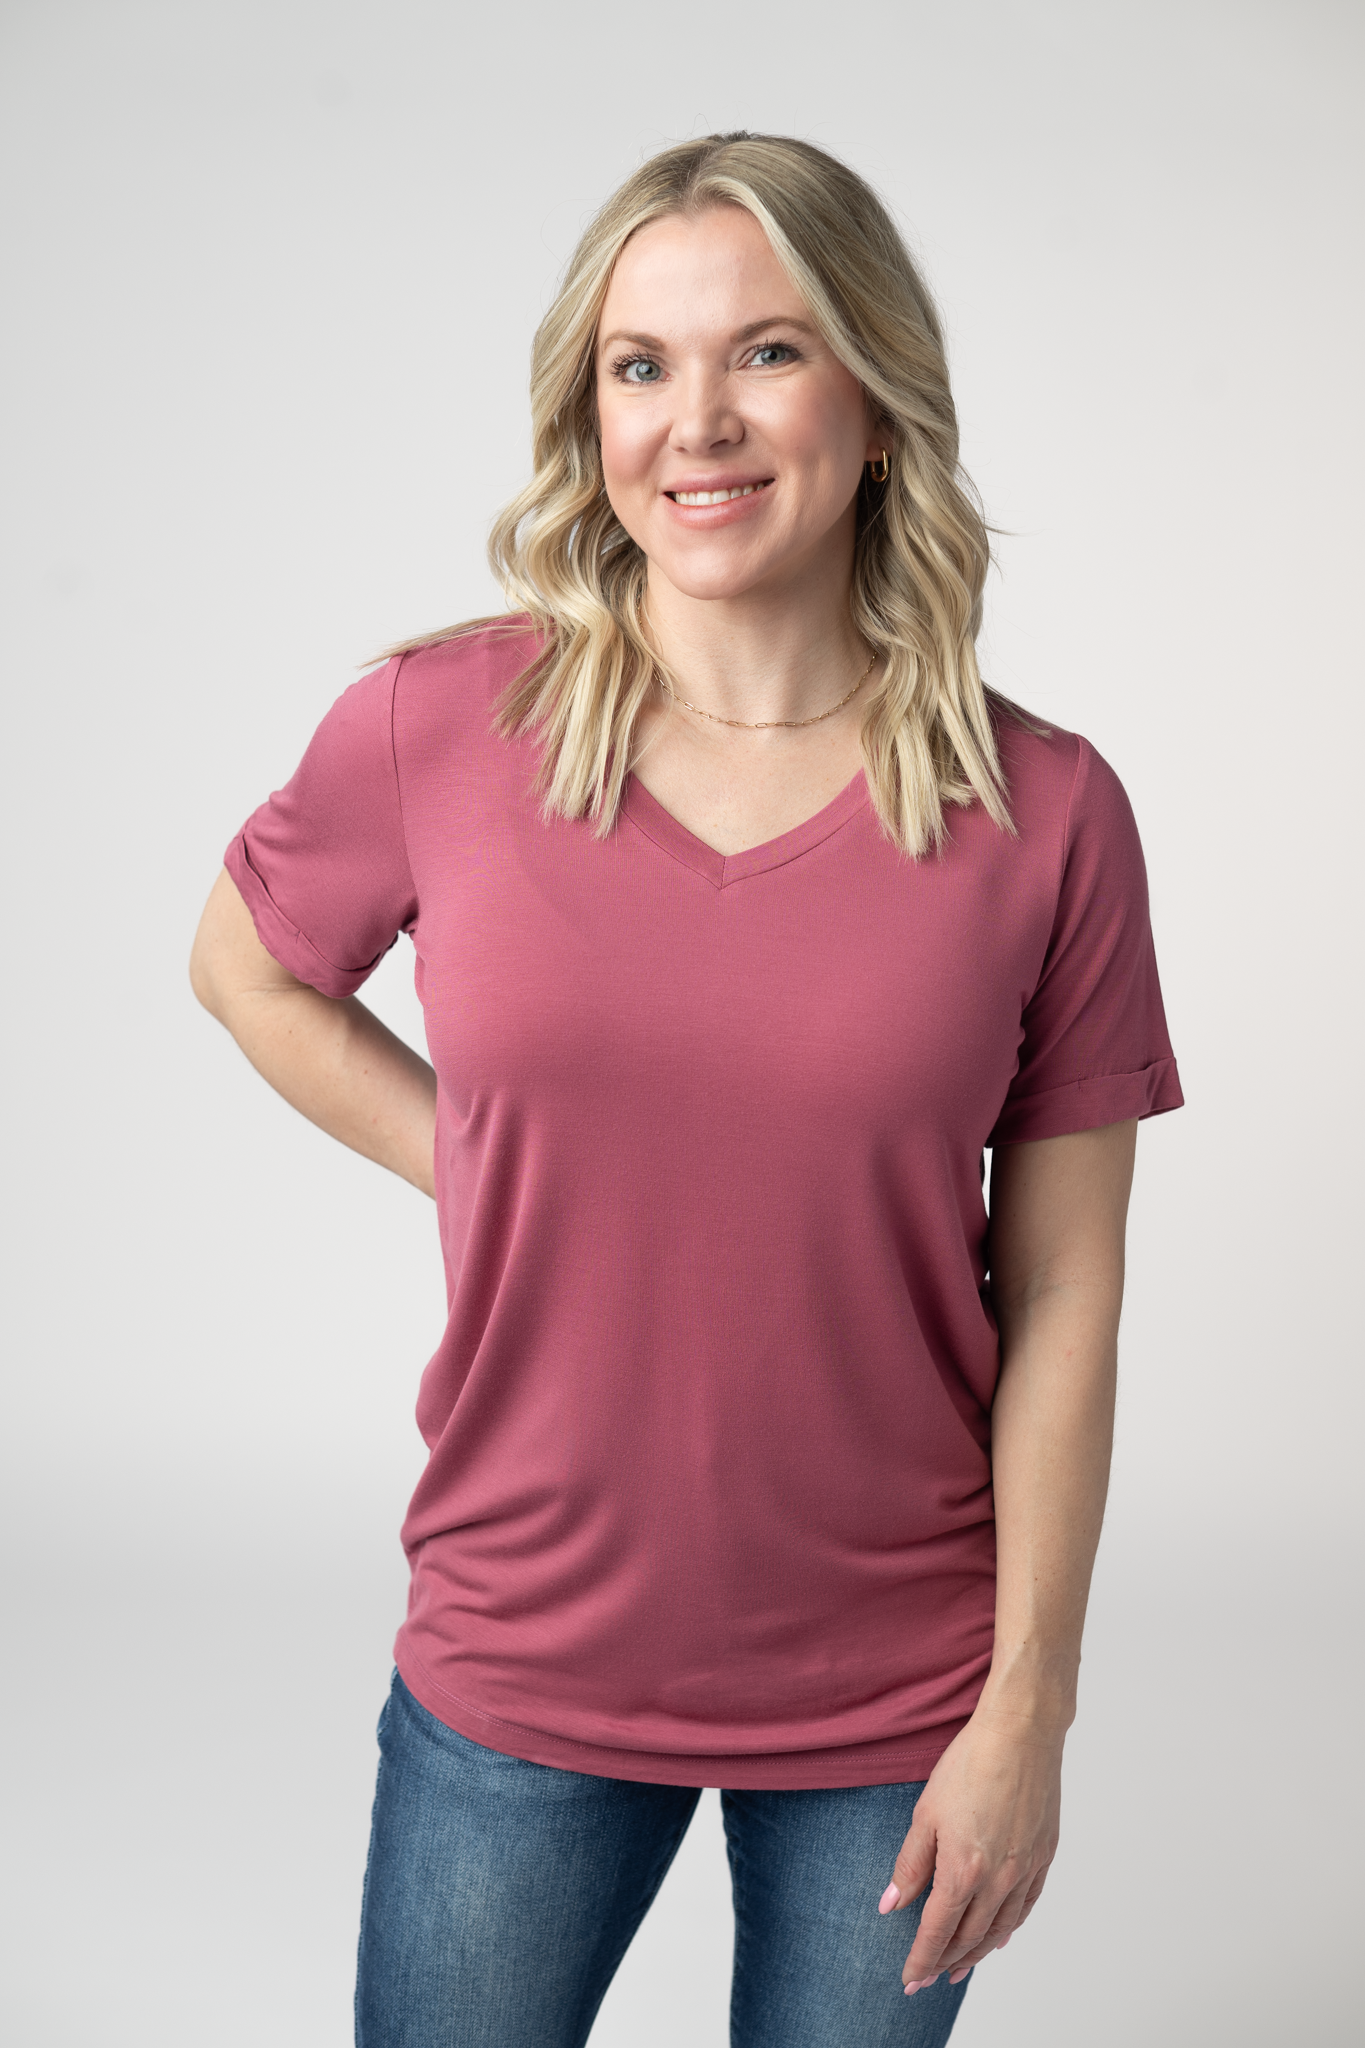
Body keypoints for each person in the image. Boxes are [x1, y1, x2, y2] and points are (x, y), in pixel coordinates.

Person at [190, 133, 1182, 2048]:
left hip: (903, 1701)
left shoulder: (1045, 812)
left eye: (769, 353)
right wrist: (478, 1163)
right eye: (641, 364)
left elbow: (1064, 1285)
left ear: (875, 404)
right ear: (593, 414)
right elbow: (246, 965)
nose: (697, 421)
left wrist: (1031, 1706)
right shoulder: (436, 726)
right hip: (525, 1651)